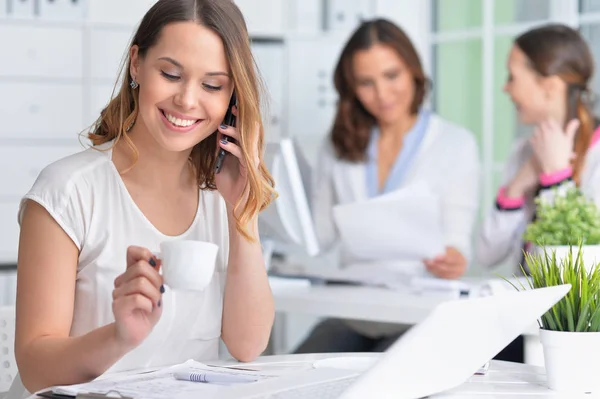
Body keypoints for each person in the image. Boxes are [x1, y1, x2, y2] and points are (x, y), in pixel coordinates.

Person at [9, 0, 276, 396]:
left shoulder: (222, 199)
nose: (187, 100)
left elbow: (247, 344)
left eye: (212, 85)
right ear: (137, 64)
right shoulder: (68, 190)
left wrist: (243, 213)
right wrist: (120, 336)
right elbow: (34, 367)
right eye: (170, 74)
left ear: (232, 100)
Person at [294, 19, 480, 354]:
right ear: (350, 88)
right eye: (366, 83)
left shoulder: (456, 144)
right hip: (353, 311)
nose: (381, 95)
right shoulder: (337, 145)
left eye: (391, 75)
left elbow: (457, 242)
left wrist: (453, 259)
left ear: (413, 70)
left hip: (419, 315)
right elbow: (318, 238)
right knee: (300, 371)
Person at [477, 23, 600, 362]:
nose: (506, 88)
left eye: (513, 77)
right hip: (519, 322)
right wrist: (517, 186)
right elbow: (487, 254)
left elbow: (577, 273)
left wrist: (556, 178)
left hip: (576, 334)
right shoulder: (522, 153)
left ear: (548, 86)